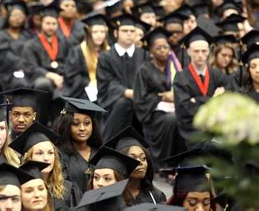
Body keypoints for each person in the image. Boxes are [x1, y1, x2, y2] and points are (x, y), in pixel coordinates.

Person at [133, 28, 186, 164]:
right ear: (151, 51)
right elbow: (140, 99)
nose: (163, 50)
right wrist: (162, 97)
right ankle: (167, 163)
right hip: (155, 115)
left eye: (165, 47)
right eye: (158, 48)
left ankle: (184, 161)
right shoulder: (144, 70)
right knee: (173, 119)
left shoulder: (175, 65)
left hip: (177, 108)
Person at [173, 27, 232, 149]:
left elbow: (229, 95)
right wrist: (213, 99)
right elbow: (186, 107)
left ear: (209, 51)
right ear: (188, 51)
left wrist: (197, 100)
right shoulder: (181, 77)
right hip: (193, 129)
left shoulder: (216, 74)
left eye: (204, 51)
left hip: (216, 124)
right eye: (196, 51)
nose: (200, 55)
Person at [96, 14, 149, 140]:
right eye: (125, 31)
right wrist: (125, 92)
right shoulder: (106, 57)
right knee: (124, 103)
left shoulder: (144, 55)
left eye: (132, 31)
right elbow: (106, 82)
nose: (129, 34)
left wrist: (138, 93)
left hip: (140, 100)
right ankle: (110, 144)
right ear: (116, 33)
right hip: (114, 102)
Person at [10, 121, 82, 210]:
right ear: (28, 157)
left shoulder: (69, 189)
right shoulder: (19, 188)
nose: (46, 158)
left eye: (50, 153)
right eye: (39, 153)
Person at [104, 127, 167, 206]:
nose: (140, 162)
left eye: (143, 158)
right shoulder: (111, 196)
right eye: (133, 158)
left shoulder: (156, 196)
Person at [54, 97, 104, 192]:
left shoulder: (100, 153)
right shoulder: (58, 154)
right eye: (76, 124)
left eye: (87, 123)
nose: (82, 128)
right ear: (67, 126)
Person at [22, 4, 70, 100]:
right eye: (47, 23)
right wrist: (51, 75)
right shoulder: (31, 45)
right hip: (42, 77)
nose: (51, 27)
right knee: (43, 84)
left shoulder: (64, 42)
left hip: (62, 76)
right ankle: (42, 115)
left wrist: (62, 76)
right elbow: (31, 67)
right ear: (41, 23)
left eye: (54, 24)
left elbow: (70, 62)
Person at [63, 12, 109, 99]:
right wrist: (89, 83)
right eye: (95, 32)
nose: (99, 35)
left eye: (102, 32)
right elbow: (71, 76)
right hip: (84, 91)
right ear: (88, 33)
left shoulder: (110, 51)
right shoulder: (78, 51)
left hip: (105, 89)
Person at [0, 0, 32, 90]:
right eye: (14, 15)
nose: (17, 18)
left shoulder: (28, 35)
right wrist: (22, 64)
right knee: (21, 83)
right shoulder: (1, 35)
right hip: (9, 72)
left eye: (20, 16)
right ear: (8, 17)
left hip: (28, 70)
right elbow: (3, 56)